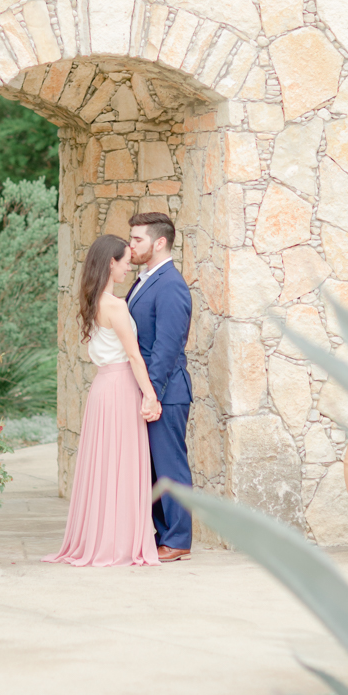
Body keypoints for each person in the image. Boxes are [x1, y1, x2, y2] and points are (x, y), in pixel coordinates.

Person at [43, 235, 160, 567]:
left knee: (105, 465)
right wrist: (150, 396)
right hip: (121, 386)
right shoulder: (116, 305)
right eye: (124, 261)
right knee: (121, 464)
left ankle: (101, 538)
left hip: (102, 388)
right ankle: (118, 542)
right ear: (111, 262)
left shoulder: (94, 301)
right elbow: (135, 357)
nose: (128, 266)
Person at [127, 212, 194, 562]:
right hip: (151, 393)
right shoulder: (145, 280)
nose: (131, 245)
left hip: (166, 394)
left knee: (170, 468)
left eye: (137, 239)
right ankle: (161, 533)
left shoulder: (171, 284)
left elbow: (167, 348)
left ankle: (179, 539)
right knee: (152, 468)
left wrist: (151, 394)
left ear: (159, 242)